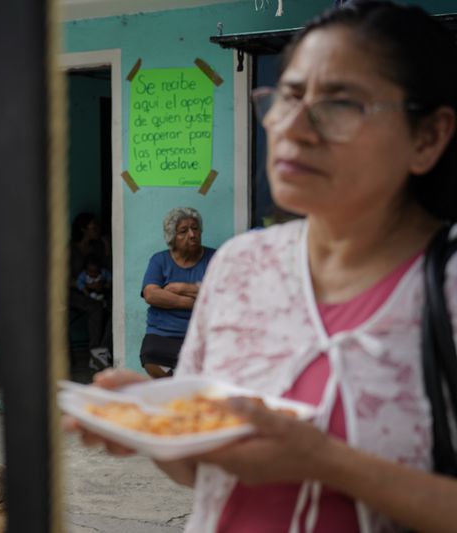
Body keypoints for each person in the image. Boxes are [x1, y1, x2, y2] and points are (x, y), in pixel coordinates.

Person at [70, 1, 457, 531]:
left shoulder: (446, 285)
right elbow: (204, 471)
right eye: (288, 95)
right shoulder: (241, 266)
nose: (292, 126)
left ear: (429, 136)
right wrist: (156, 426)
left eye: (340, 103)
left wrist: (325, 461)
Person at [139, 207, 215, 378]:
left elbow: (222, 293)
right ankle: (177, 386)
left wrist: (181, 288)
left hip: (202, 332)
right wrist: (192, 303)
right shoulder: (159, 260)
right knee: (151, 356)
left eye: (195, 228)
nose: (192, 234)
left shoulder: (214, 258)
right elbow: (151, 294)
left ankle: (182, 386)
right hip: (163, 332)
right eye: (183, 231)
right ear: (172, 237)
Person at [69, 212, 113, 369]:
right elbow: (63, 278)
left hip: (98, 291)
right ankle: (96, 353)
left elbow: (108, 270)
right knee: (96, 308)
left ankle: (101, 351)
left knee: (116, 307)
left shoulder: (97, 247)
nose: (97, 230)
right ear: (83, 229)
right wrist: (86, 287)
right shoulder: (71, 250)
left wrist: (107, 247)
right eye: (94, 227)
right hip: (75, 292)